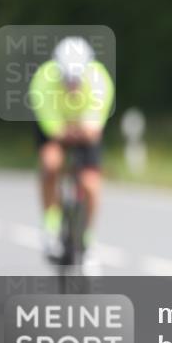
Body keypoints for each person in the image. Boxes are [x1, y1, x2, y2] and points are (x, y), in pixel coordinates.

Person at [28, 36, 115, 269]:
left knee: (91, 184)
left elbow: (93, 132)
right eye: (67, 78)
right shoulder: (42, 81)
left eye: (76, 79)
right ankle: (51, 227)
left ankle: (87, 241)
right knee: (50, 164)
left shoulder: (100, 80)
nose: (71, 84)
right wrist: (71, 131)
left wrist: (80, 130)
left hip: (84, 130)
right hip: (56, 127)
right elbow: (52, 130)